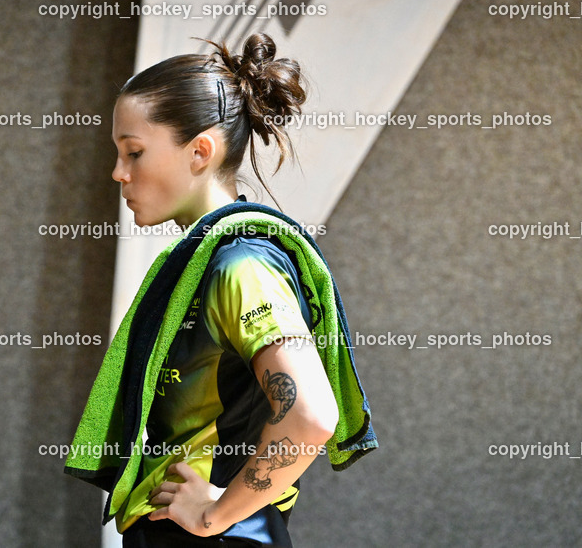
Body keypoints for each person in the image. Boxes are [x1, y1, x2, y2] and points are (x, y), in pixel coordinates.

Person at [64, 33, 376, 546]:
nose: (118, 173)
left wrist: (214, 514)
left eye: (134, 152)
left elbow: (311, 415)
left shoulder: (243, 264)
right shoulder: (207, 261)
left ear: (200, 151)